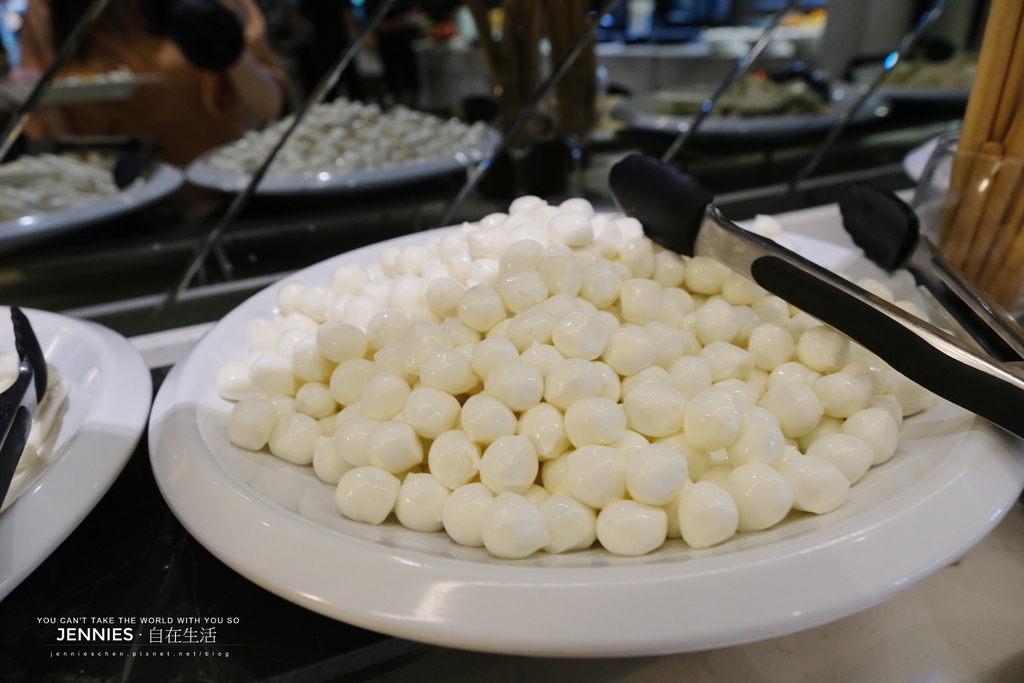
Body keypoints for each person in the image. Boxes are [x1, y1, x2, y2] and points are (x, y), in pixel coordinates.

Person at [15, 0, 290, 168]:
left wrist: (226, 45)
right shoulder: (48, 12)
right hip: (111, 198)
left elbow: (269, 107)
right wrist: (24, 90)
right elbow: (41, 125)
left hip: (216, 183)